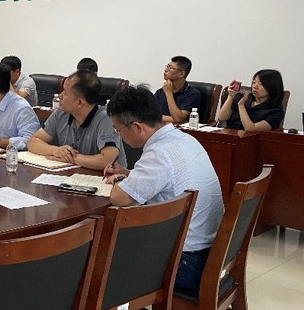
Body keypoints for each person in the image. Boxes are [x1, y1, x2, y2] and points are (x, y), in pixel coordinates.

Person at [104, 86, 224, 289]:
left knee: (99, 252)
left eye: (118, 130)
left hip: (185, 263)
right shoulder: (185, 138)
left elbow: (120, 198)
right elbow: (167, 178)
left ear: (137, 127)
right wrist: (129, 174)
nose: (119, 136)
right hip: (209, 254)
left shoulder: (158, 153)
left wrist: (118, 181)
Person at [27, 70, 125, 170]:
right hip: (71, 175)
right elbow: (33, 142)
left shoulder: (106, 119)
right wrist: (55, 151)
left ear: (79, 103)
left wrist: (71, 157)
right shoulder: (61, 113)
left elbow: (108, 161)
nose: (60, 96)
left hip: (106, 178)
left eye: (65, 92)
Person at [215, 69, 285, 131]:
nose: (255, 86)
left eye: (261, 84)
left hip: (250, 140)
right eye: (254, 82)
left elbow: (250, 129)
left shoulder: (276, 111)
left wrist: (241, 106)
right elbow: (222, 117)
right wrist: (231, 96)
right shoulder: (241, 97)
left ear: (272, 87)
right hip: (229, 135)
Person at [154, 55, 201, 123]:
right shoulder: (160, 92)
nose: (166, 70)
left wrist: (169, 93)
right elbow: (147, 115)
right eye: (167, 66)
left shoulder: (192, 94)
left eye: (170, 68)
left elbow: (178, 119)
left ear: (181, 74)